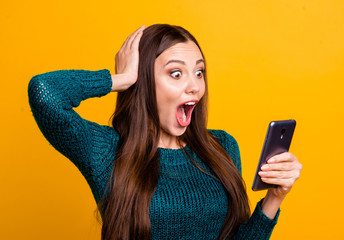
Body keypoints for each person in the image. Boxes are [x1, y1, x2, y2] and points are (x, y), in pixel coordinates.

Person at [28, 24, 302, 240]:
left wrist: (275, 197)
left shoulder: (222, 146)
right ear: (144, 80)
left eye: (199, 72)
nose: (194, 86)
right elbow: (44, 92)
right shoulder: (107, 151)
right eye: (176, 73)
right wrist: (122, 79)